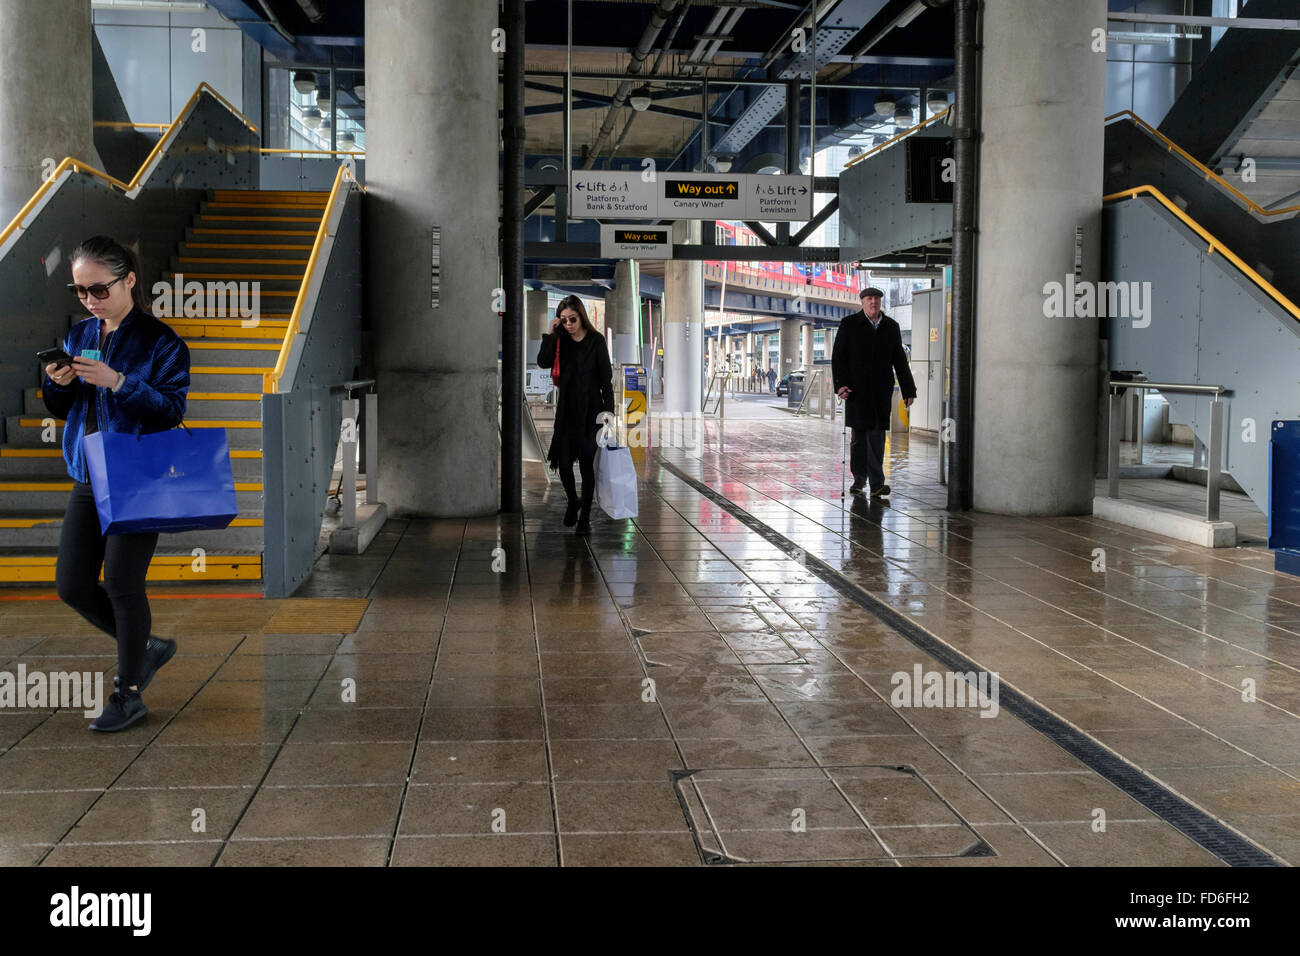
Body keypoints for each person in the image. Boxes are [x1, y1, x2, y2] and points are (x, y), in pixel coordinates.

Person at [43, 236, 190, 732]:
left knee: (124, 584)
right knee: (71, 584)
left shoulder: (160, 341)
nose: (89, 300)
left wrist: (119, 382)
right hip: (88, 472)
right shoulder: (79, 333)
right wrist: (56, 385)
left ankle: (127, 694)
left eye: (99, 290)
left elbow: (171, 410)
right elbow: (64, 409)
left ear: (129, 279)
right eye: (79, 291)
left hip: (136, 475)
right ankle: (145, 647)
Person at [536, 295, 614, 535]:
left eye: (572, 319)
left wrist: (609, 414)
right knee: (564, 463)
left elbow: (605, 380)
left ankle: (585, 519)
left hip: (591, 412)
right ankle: (573, 500)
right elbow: (543, 362)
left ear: (581, 317)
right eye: (563, 320)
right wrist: (551, 333)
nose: (568, 324)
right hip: (567, 412)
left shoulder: (596, 341)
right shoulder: (560, 340)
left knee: (587, 467)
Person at [831, 286, 916, 497]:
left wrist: (908, 389)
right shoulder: (849, 324)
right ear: (862, 302)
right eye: (869, 299)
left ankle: (877, 483)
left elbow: (900, 361)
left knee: (877, 437)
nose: (873, 302)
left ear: (880, 302)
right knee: (859, 438)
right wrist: (840, 385)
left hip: (880, 392)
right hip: (856, 391)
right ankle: (859, 480)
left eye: (877, 299)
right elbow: (838, 358)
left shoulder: (891, 327)